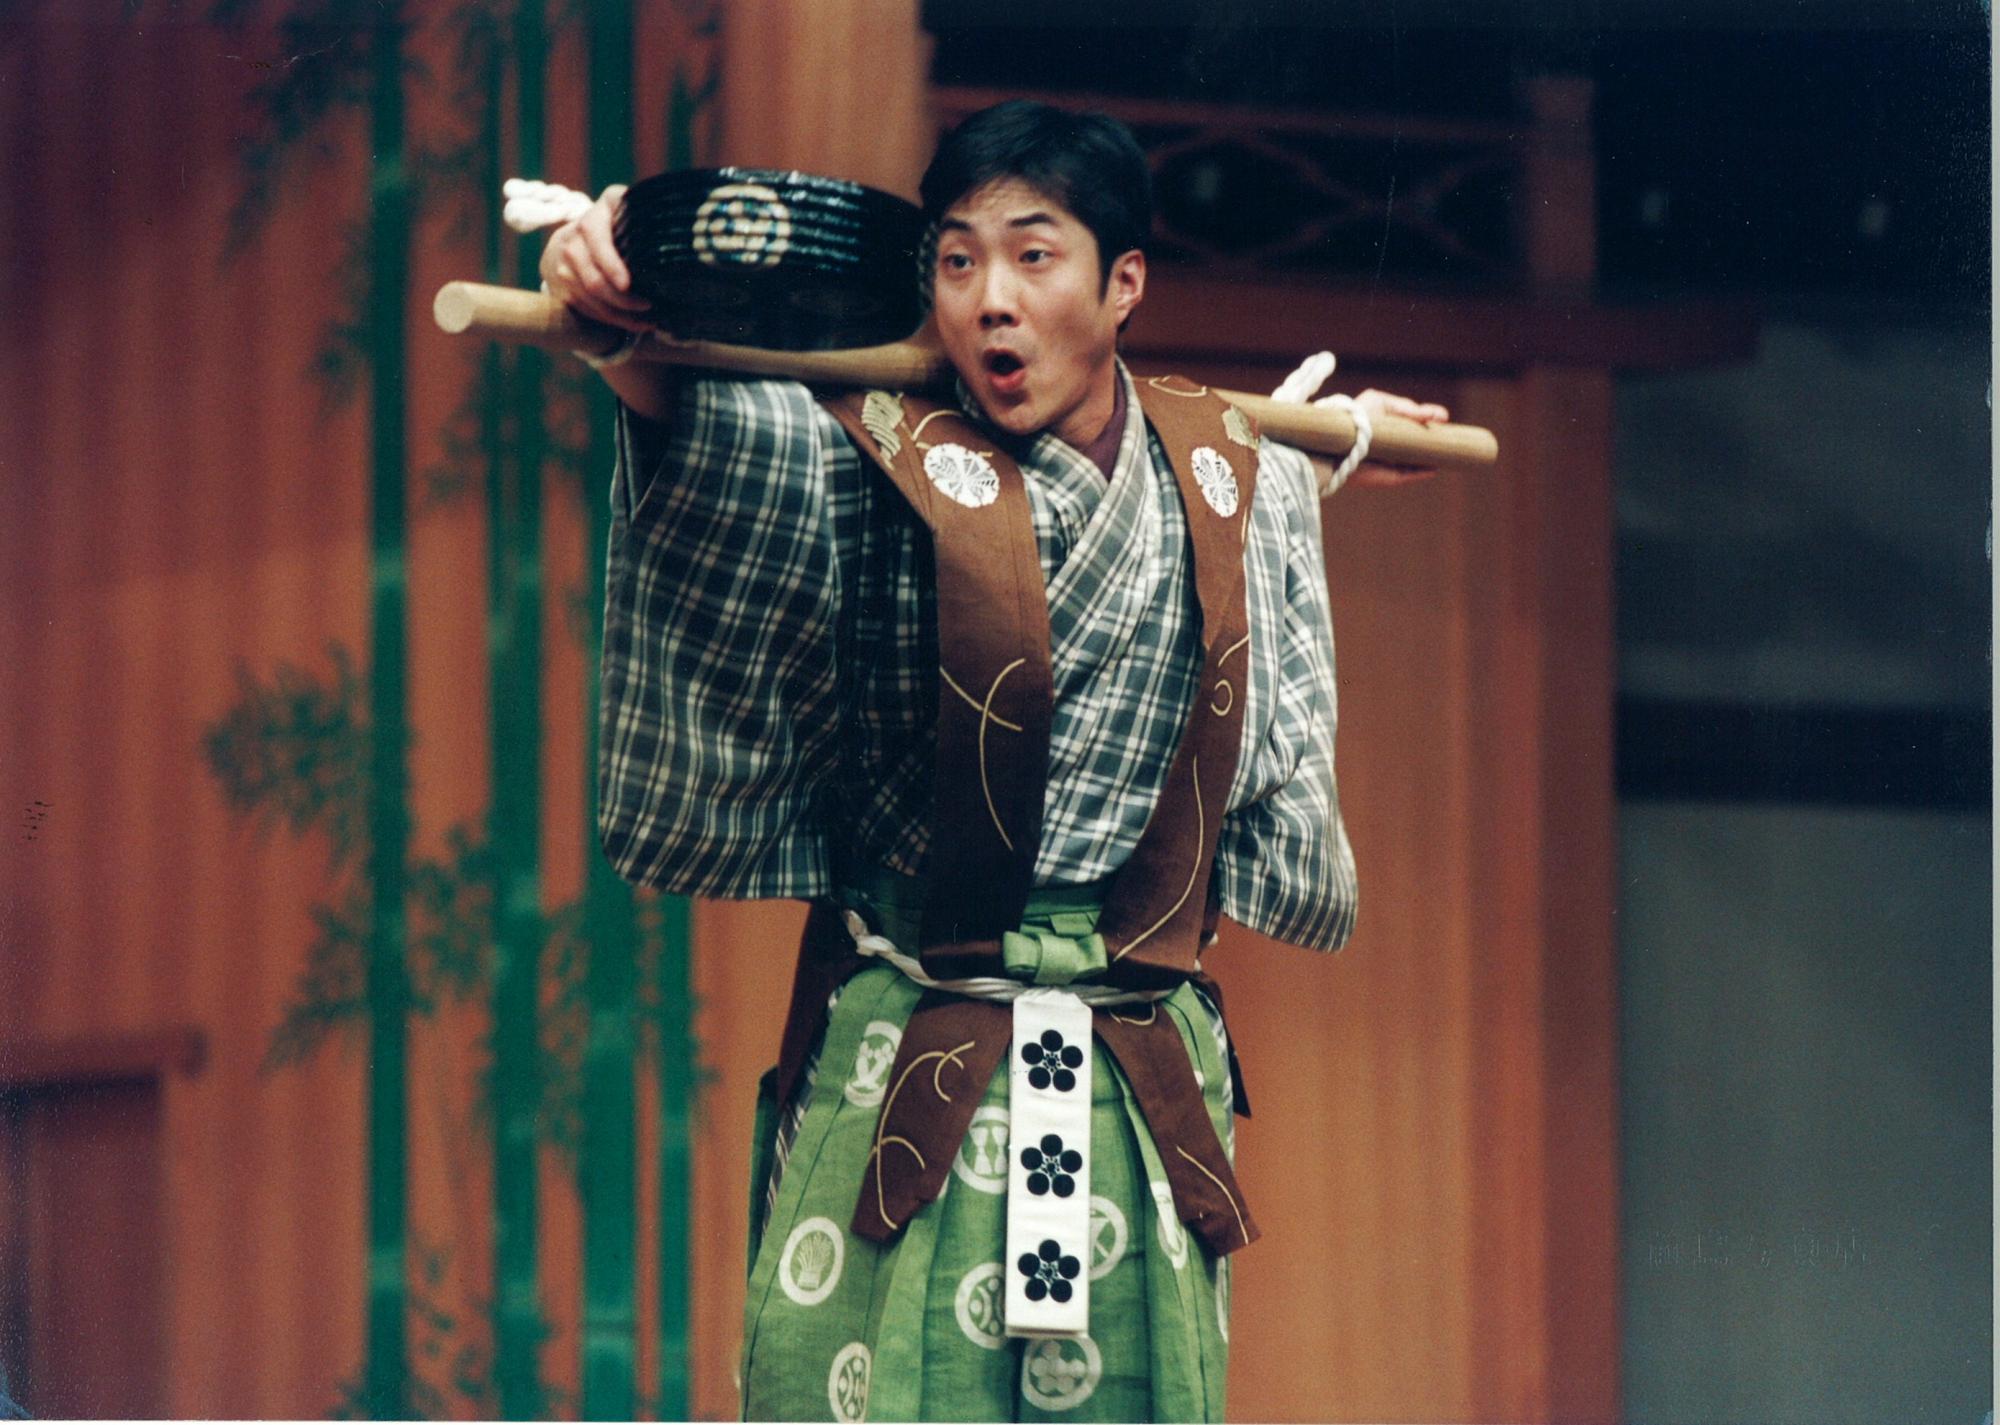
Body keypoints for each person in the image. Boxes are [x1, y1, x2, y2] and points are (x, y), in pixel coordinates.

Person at [542, 99, 1446, 1423]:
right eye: (958, 261)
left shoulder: (1217, 467)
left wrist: (1318, 454)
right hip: (910, 1046)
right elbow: (721, 442)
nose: (991, 301)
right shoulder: (875, 452)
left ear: (1123, 282)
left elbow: (1236, 514)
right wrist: (618, 330)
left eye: (1034, 255)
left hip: (1129, 1064)